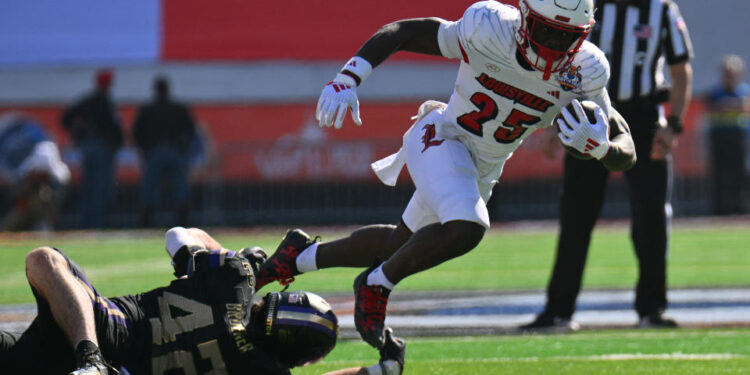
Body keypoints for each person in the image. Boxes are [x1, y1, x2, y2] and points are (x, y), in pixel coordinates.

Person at [256, 0, 636, 349]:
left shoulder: (585, 69)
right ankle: (376, 284)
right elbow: (406, 31)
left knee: (397, 247)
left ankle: (296, 257)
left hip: (484, 166)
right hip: (441, 135)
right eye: (546, 31)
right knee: (467, 227)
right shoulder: (489, 28)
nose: (553, 45)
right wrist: (350, 76)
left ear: (583, 35)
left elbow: (626, 147)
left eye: (566, 36)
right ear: (523, 18)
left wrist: (603, 149)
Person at [0, 226, 406, 375]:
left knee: (45, 259)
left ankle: (89, 360)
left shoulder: (234, 281)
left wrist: (243, 262)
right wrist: (381, 369)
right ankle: (90, 365)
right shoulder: (261, 369)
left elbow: (176, 236)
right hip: (119, 361)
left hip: (107, 330)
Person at [521, 0, 694, 331]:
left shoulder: (661, 9)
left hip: (643, 119)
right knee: (576, 216)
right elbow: (558, 61)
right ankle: (559, 311)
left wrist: (673, 125)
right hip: (590, 114)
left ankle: (652, 309)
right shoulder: (588, 5)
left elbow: (680, 67)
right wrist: (551, 122)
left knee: (651, 218)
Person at [61, 68, 124, 229]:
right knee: (100, 188)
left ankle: (85, 223)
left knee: (88, 187)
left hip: (88, 147)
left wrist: (78, 136)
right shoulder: (105, 102)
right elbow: (114, 129)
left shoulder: (87, 101)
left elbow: (66, 118)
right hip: (102, 148)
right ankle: (97, 224)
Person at [133, 76, 197, 227]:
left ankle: (147, 219)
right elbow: (190, 131)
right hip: (173, 151)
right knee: (179, 187)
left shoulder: (148, 110)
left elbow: (137, 132)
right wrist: (183, 147)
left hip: (156, 152)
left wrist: (145, 148)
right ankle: (182, 219)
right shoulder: (177, 109)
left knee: (150, 188)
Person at [0, 112, 70, 231]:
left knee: (42, 216)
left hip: (42, 207)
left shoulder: (57, 177)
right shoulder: (27, 171)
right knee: (9, 226)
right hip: (23, 206)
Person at [705, 54, 750, 215]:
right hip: (720, 139)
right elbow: (714, 108)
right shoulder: (715, 92)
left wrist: (727, 106)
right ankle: (721, 211)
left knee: (740, 175)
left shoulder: (744, 91)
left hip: (739, 139)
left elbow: (746, 107)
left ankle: (741, 209)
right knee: (720, 175)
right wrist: (736, 106)